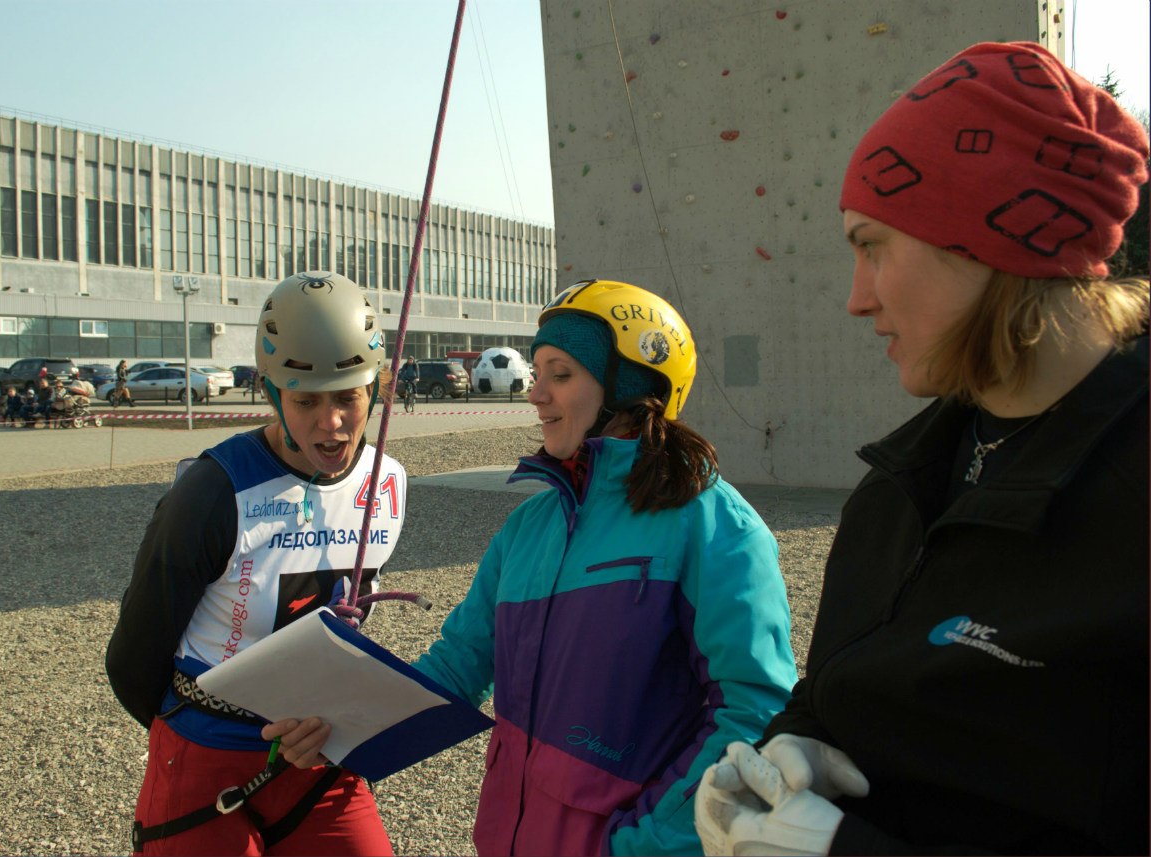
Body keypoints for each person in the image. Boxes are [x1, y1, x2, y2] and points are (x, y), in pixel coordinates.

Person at [694, 41, 1149, 857]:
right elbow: (840, 689)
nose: (855, 298)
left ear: (986, 244)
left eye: (872, 244)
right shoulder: (898, 488)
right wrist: (784, 752)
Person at [269, 279, 798, 856]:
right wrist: (340, 726)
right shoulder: (528, 528)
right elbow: (456, 666)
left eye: (561, 374)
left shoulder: (714, 526)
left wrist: (641, 847)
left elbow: (756, 715)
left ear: (631, 389)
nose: (535, 393)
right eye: (537, 372)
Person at [106, 271, 406, 856]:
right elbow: (133, 658)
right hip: (207, 748)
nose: (333, 422)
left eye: (349, 395)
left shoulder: (389, 482)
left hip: (318, 749)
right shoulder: (213, 490)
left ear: (376, 387)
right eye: (305, 400)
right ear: (270, 392)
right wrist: (199, 728)